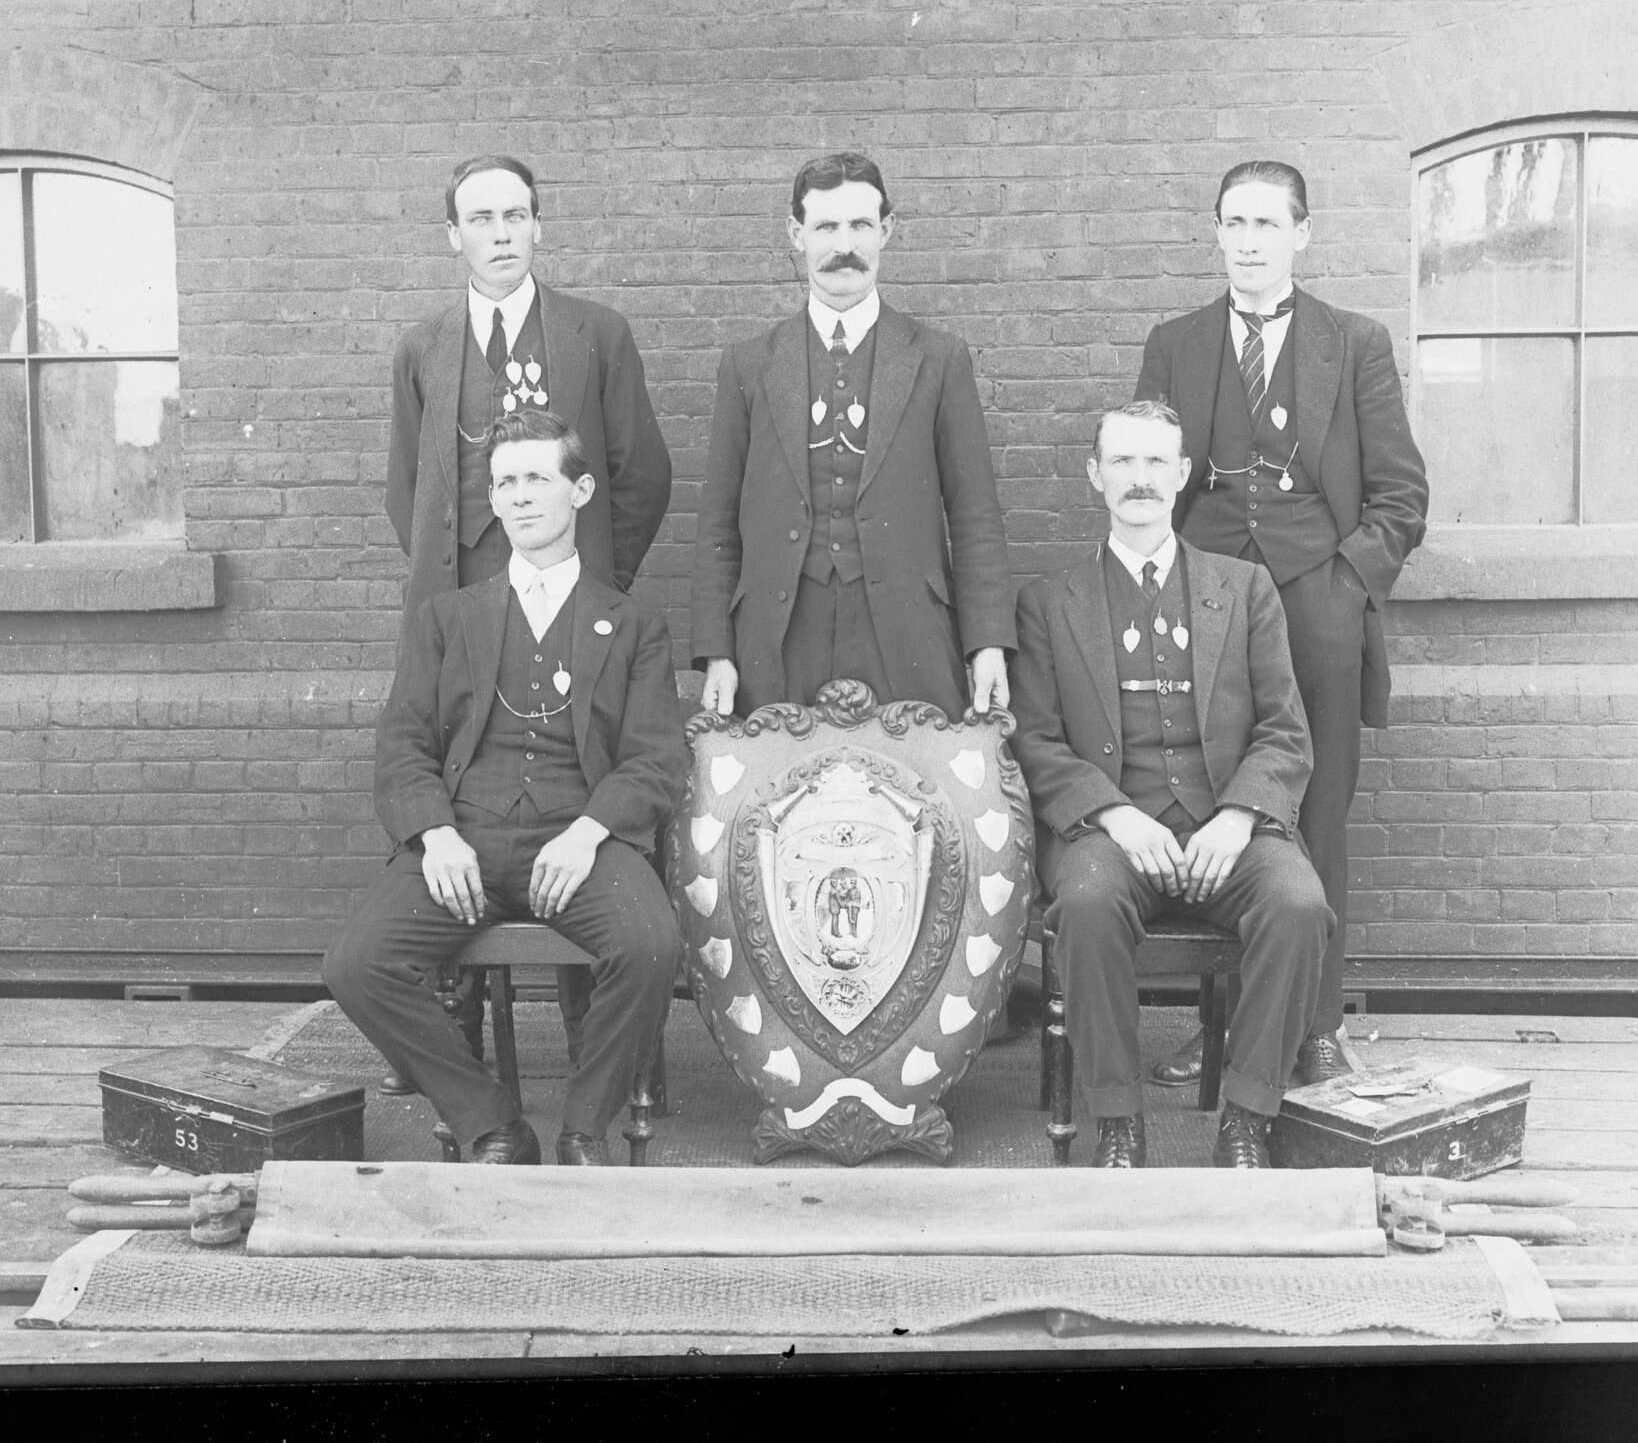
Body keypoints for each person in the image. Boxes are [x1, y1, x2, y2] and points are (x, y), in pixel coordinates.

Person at [1133, 160, 1427, 1088]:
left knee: (1317, 816)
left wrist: (1344, 585)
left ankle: (1316, 1027)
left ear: (1303, 234)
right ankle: (1219, 1027)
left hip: (1317, 601)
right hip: (1204, 603)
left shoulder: (1355, 341)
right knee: (1217, 804)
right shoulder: (1175, 343)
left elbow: (1402, 497)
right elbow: (1148, 479)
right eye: (1233, 223)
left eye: (1267, 223)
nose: (1248, 241)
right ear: (1215, 233)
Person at [326, 410, 684, 1167]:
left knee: (652, 945)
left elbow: (655, 760)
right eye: (505, 483)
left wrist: (590, 833)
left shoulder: (631, 622)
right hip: (469, 839)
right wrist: (435, 834)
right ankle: (492, 1122)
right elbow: (403, 744)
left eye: (537, 478)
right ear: (492, 500)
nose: (520, 497)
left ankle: (584, 1127)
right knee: (356, 965)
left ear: (580, 490)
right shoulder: (448, 618)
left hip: (581, 838)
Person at [1011, 400, 1334, 1169]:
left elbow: (1286, 728)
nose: (1140, 479)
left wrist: (1238, 818)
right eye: (1122, 462)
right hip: (1113, 833)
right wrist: (1115, 816)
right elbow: (1036, 740)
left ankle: (1248, 1119)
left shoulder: (1245, 589)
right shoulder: (1048, 603)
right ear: (1095, 476)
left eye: (1156, 462)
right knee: (1084, 907)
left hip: (1228, 827)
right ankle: (1118, 1121)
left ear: (1183, 476)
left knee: (1299, 906)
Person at [692, 151, 1016, 720]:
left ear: (886, 231)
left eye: (861, 225)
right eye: (826, 227)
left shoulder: (939, 359)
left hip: (908, 633)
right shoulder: (747, 364)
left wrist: (986, 641)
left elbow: (975, 515)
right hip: (778, 633)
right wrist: (716, 652)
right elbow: (718, 520)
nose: (845, 245)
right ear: (797, 234)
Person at [385, 153, 672, 607]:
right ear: (454, 236)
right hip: (461, 594)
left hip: (573, 590)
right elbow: (404, 491)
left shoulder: (599, 334)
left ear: (536, 226)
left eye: (515, 216)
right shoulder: (421, 349)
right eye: (481, 219)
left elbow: (642, 476)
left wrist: (604, 577)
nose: (502, 235)